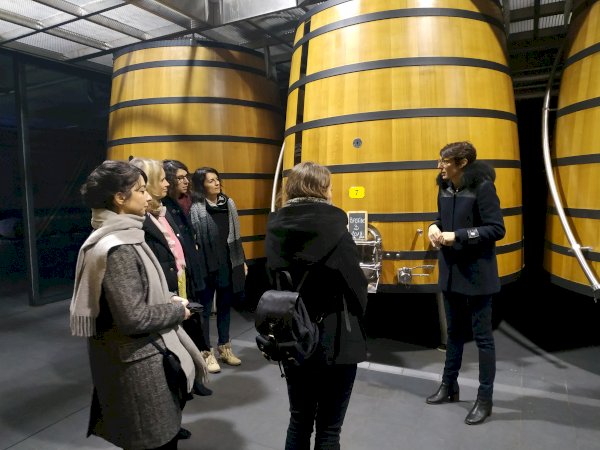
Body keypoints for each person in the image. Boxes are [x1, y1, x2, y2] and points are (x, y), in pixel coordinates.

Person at [70, 160, 208, 449]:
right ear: (120, 198)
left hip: (145, 361)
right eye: (141, 190)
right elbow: (134, 317)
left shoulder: (127, 234)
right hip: (139, 370)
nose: (148, 197)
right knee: (154, 441)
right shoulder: (117, 247)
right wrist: (177, 311)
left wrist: (166, 298)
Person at [264, 161, 368, 450]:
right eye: (330, 186)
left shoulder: (275, 228)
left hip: (293, 334)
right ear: (321, 189)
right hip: (335, 336)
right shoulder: (337, 231)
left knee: (299, 421)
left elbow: (271, 279)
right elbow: (357, 288)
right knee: (329, 429)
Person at [426, 141, 505, 425]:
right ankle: (449, 386)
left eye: (445, 161)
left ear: (462, 163)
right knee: (454, 334)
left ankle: (485, 399)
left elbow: (496, 229)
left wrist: (458, 235)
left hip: (477, 274)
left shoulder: (483, 187)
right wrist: (434, 227)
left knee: (483, 339)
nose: (440, 166)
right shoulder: (445, 187)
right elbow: (440, 219)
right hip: (451, 272)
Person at [129, 158, 213, 399]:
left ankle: (192, 379)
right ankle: (181, 386)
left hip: (182, 278)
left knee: (191, 328)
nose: (167, 184)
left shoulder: (165, 210)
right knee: (174, 337)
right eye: (162, 179)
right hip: (166, 286)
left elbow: (180, 245)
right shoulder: (141, 219)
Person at [162, 160, 218, 373]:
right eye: (180, 177)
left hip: (196, 263)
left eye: (186, 176)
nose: (186, 181)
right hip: (179, 269)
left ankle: (204, 351)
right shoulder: (166, 206)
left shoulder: (191, 201)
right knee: (188, 312)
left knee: (199, 309)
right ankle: (199, 354)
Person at [189, 167, 246, 368]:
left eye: (217, 179)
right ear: (201, 185)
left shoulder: (228, 203)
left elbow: (236, 237)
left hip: (227, 262)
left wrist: (241, 261)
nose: (216, 183)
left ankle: (225, 348)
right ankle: (206, 352)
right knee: (204, 310)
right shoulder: (196, 208)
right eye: (210, 180)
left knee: (224, 307)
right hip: (206, 264)